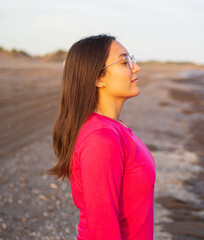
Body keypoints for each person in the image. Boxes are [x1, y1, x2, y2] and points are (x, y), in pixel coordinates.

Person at [47, 34, 156, 240]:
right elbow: (102, 230)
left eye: (131, 59)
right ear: (98, 78)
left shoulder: (114, 129)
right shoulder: (101, 138)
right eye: (125, 61)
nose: (136, 67)